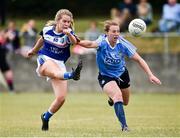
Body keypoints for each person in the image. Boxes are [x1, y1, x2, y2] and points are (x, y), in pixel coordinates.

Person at [78, 20, 161, 131]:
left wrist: (150, 75)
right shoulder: (102, 41)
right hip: (106, 76)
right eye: (113, 31)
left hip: (122, 74)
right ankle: (124, 127)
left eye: (118, 31)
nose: (116, 33)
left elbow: (139, 59)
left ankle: (111, 99)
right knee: (118, 96)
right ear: (107, 32)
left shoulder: (123, 44)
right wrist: (76, 41)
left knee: (125, 102)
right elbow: (89, 44)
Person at [27, 9, 83, 131]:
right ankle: (72, 74)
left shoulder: (68, 34)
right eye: (64, 21)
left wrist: (69, 34)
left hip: (59, 64)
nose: (67, 24)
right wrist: (34, 51)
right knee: (53, 71)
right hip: (45, 59)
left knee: (61, 98)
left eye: (69, 22)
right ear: (57, 20)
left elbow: (74, 42)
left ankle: (46, 117)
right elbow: (42, 39)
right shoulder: (47, 30)